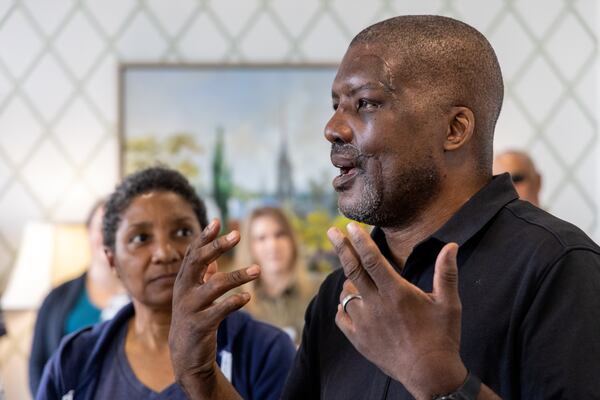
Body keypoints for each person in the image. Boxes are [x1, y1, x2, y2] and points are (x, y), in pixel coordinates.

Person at [168, 14, 600, 400]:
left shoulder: (558, 268)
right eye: (336, 105)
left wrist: (447, 387)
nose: (332, 128)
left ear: (454, 128)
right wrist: (201, 377)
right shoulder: (340, 296)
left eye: (366, 103)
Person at [36, 167, 295, 400]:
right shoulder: (74, 360)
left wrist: (204, 379)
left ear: (206, 244)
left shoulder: (266, 349)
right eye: (140, 238)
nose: (164, 252)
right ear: (112, 260)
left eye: (182, 232)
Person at [29, 200, 128, 395]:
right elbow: (37, 364)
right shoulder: (56, 298)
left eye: (117, 227)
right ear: (88, 232)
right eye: (103, 227)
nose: (109, 235)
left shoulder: (147, 298)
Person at [236, 207, 319, 344]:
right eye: (261, 238)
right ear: (250, 247)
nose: (272, 245)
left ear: (292, 240)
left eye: (280, 234)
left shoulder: (320, 291)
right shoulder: (235, 302)